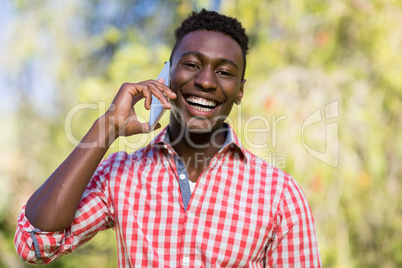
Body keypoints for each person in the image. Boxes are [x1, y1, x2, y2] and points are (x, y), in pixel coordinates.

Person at [15, 9, 322, 267]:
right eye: (191, 64)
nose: (205, 81)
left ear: (239, 90)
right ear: (167, 73)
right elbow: (34, 245)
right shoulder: (121, 175)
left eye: (224, 72)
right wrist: (107, 126)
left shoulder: (279, 194)